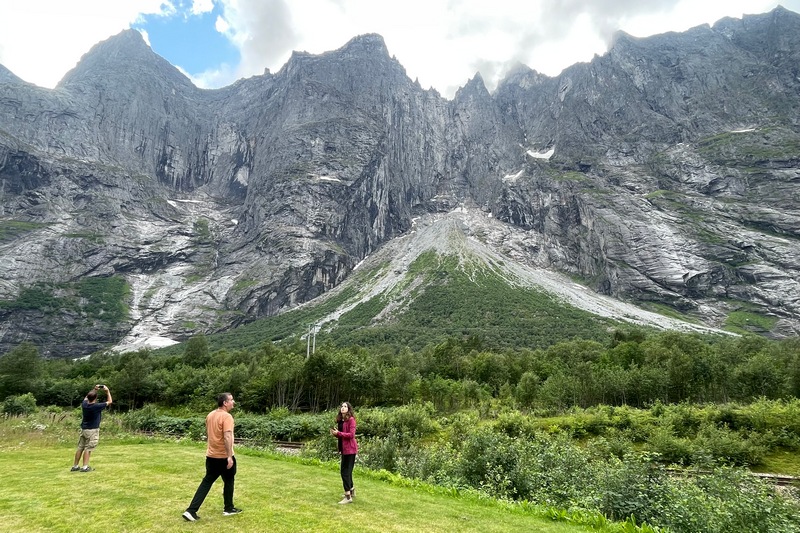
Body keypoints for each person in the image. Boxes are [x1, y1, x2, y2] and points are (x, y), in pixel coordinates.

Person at [182, 392, 242, 522]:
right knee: (229, 480)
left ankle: (191, 510)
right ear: (225, 403)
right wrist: (229, 456)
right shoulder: (227, 417)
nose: (233, 402)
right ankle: (228, 508)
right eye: (231, 400)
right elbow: (227, 437)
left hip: (211, 456)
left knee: (207, 482)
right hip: (223, 457)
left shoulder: (210, 415)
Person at [71, 384, 112, 472]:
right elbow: (110, 401)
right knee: (88, 448)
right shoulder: (96, 406)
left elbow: (86, 397)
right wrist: (107, 391)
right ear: (95, 398)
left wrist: (94, 389)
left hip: (84, 429)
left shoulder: (84, 404)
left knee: (80, 447)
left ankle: (75, 466)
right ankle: (85, 467)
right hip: (92, 430)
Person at [329, 401, 358, 504]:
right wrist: (335, 434)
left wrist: (339, 433)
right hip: (344, 449)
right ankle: (351, 490)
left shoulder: (351, 420)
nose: (343, 408)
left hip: (350, 449)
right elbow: (342, 436)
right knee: (347, 472)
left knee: (344, 472)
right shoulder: (341, 421)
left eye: (345, 406)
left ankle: (348, 496)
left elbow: (351, 435)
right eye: (342, 406)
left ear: (349, 409)